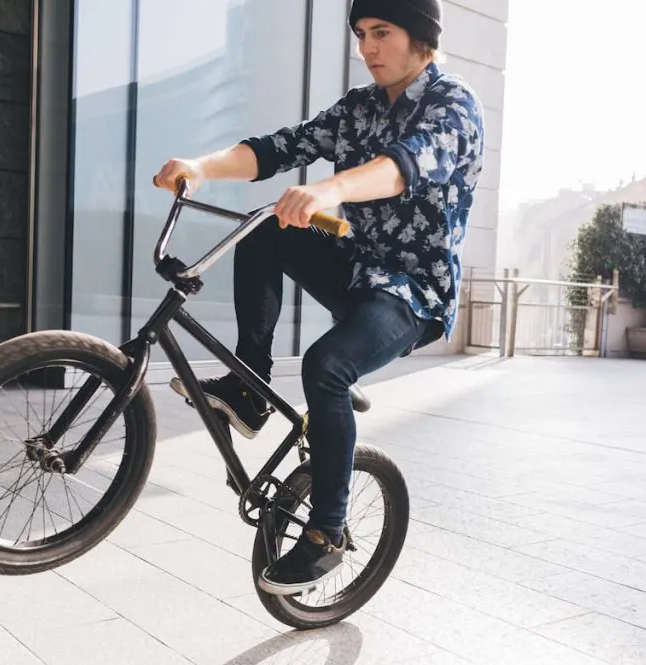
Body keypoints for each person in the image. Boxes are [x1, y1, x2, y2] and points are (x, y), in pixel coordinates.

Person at [153, 0, 485, 595]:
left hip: (413, 293)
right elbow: (280, 147)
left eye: (381, 32)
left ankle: (327, 533)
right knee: (268, 227)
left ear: (421, 38)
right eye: (361, 33)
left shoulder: (453, 103)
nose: (368, 47)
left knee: (326, 367)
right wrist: (200, 167)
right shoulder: (359, 108)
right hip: (356, 268)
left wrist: (329, 189)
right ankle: (250, 388)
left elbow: (404, 168)